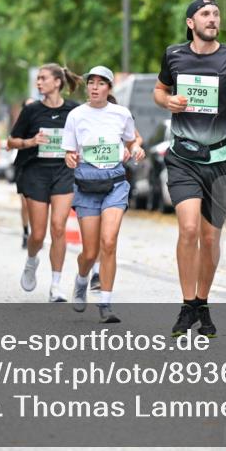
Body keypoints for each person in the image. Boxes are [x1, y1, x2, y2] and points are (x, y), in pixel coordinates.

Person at [154, 0, 226, 337]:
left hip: (220, 159)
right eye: (205, 14)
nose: (212, 18)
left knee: (210, 237)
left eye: (216, 14)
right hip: (183, 157)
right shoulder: (174, 54)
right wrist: (168, 101)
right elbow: (159, 90)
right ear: (191, 23)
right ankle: (187, 305)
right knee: (188, 229)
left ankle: (202, 302)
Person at [62, 66, 144, 322]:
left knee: (108, 242)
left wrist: (136, 148)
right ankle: (81, 279)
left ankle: (105, 304)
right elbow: (69, 151)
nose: (95, 87)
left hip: (115, 184)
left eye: (101, 83)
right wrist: (70, 157)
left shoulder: (121, 114)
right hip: (87, 185)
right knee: (89, 252)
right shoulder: (76, 116)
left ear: (109, 88)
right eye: (91, 83)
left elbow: (133, 139)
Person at [8, 64, 81, 302]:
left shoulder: (74, 110)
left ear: (57, 82)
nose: (38, 82)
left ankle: (56, 286)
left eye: (43, 78)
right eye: (37, 78)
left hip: (63, 172)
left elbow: (84, 137)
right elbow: (11, 141)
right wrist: (30, 142)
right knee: (38, 235)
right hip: (35, 172)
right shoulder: (31, 110)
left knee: (58, 227)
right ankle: (31, 261)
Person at [13, 97, 35, 249]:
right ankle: (26, 232)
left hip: (41, 167)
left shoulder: (44, 121)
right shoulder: (21, 124)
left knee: (39, 204)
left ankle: (37, 233)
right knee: (25, 203)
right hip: (24, 165)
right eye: (28, 107)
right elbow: (11, 141)